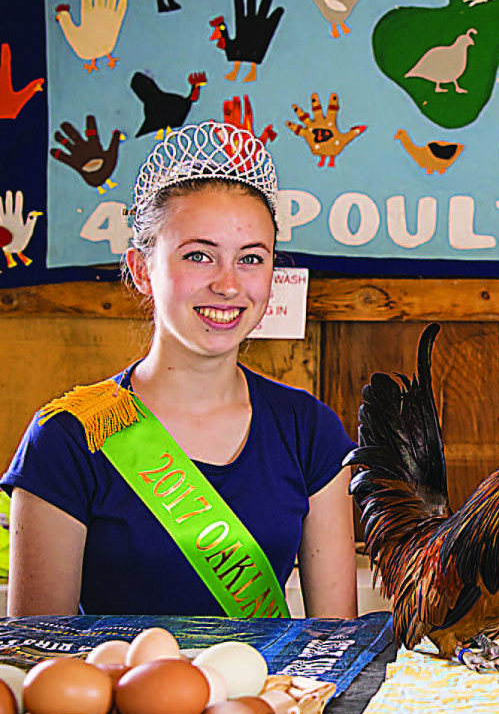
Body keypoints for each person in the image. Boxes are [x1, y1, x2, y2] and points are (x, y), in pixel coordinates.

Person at [2, 121, 358, 618]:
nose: (228, 285)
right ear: (142, 270)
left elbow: (334, 643)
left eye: (251, 258)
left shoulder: (308, 429)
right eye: (198, 256)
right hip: (113, 696)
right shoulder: (67, 438)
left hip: (269, 696)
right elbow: (41, 664)